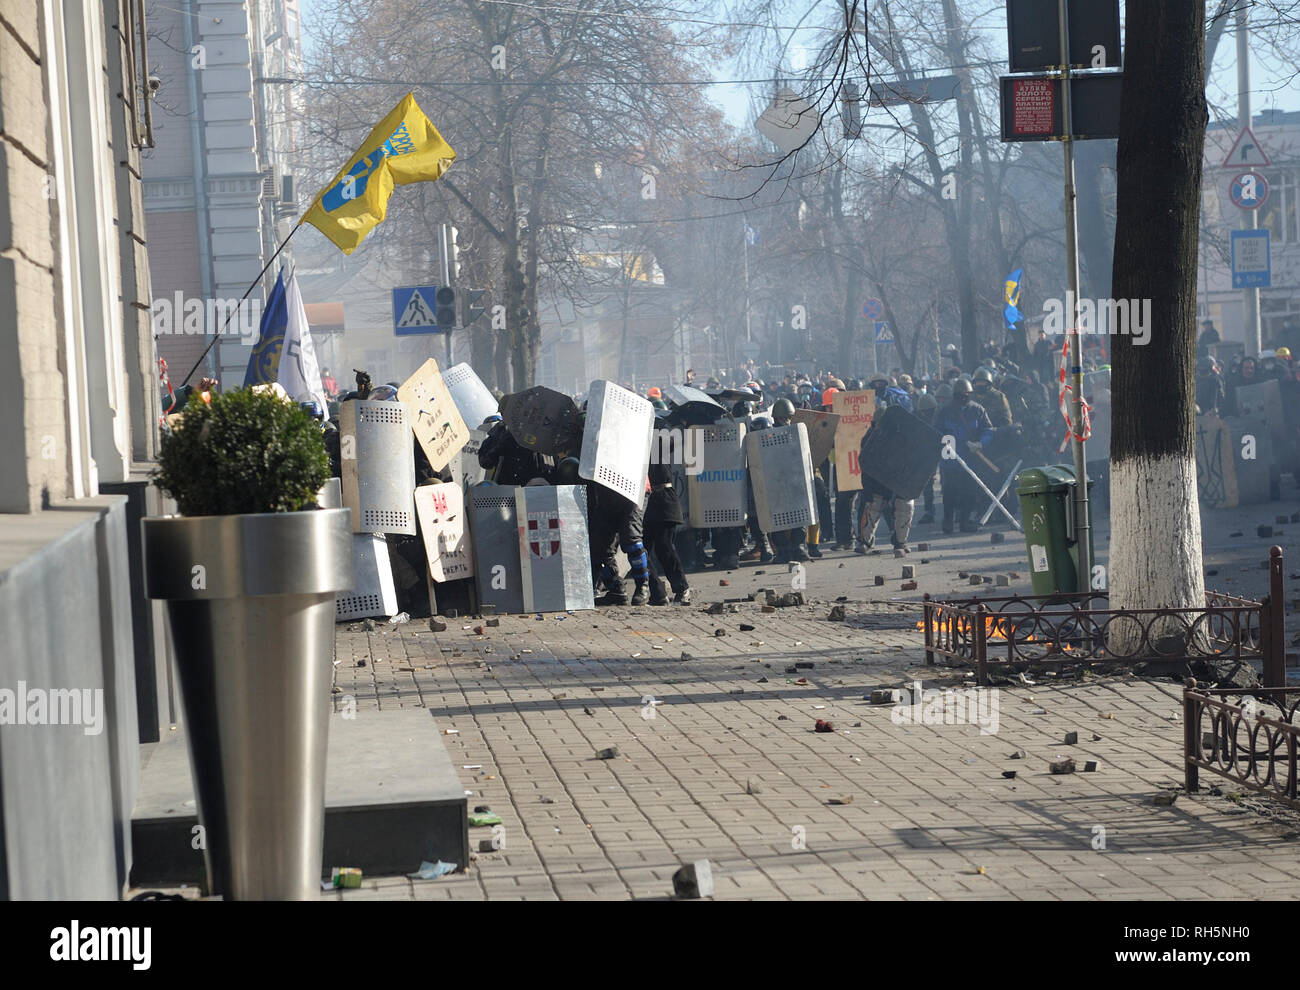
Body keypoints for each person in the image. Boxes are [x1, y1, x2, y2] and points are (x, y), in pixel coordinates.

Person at [935, 377, 994, 533]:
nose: (963, 397)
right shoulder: (944, 411)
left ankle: (965, 521)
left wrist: (981, 443)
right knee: (950, 491)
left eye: (966, 394)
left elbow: (988, 430)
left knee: (969, 491)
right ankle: (948, 521)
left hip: (970, 458)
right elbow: (936, 431)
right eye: (960, 395)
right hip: (950, 460)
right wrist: (943, 442)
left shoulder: (977, 410)